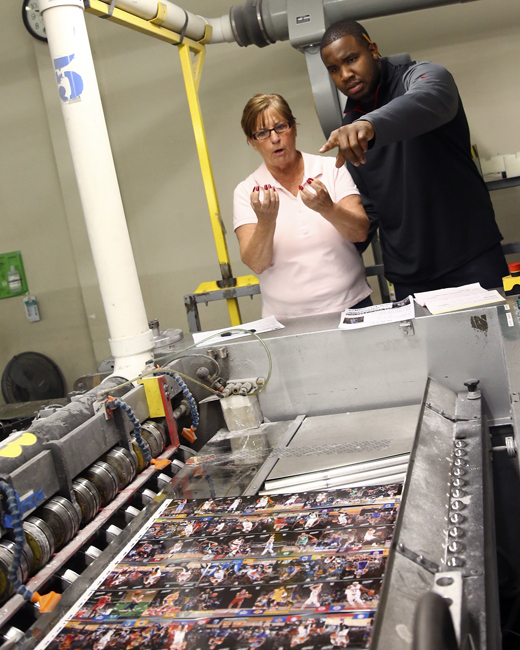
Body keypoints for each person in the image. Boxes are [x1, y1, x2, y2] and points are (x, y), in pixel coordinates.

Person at [320, 20, 509, 301]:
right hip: (409, 277)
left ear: (373, 50)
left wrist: (370, 125)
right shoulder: (349, 127)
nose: (345, 74)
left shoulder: (420, 76)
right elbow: (369, 206)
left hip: (470, 256)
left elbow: (432, 96)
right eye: (334, 69)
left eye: (351, 59)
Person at [234, 93, 372, 320]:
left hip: (352, 305)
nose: (275, 138)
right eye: (262, 133)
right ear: (252, 142)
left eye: (281, 127)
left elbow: (360, 232)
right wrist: (266, 222)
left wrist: (328, 208)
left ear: (294, 128)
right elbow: (257, 264)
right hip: (287, 319)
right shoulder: (247, 191)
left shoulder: (331, 168)